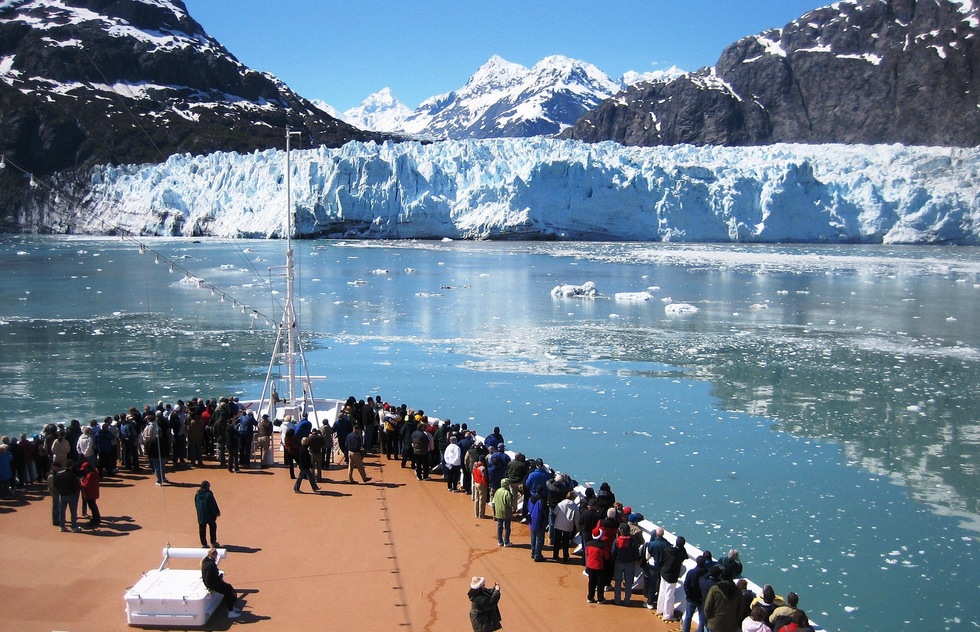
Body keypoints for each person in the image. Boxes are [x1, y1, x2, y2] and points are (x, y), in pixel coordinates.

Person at [201, 548, 241, 619]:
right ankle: (230, 611)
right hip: (213, 584)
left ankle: (230, 607)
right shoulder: (211, 564)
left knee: (228, 587)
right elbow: (209, 578)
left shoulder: (206, 562)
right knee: (228, 591)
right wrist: (218, 578)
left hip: (213, 582)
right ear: (214, 555)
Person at [657, 536, 688, 621]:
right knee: (669, 595)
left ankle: (659, 609)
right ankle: (667, 615)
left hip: (664, 572)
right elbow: (685, 556)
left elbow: (661, 560)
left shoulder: (667, 549)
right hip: (672, 576)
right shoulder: (680, 554)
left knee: (662, 592)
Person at [611, 522, 640, 605]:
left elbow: (613, 552)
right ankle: (627, 600)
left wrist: (615, 560)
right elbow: (636, 553)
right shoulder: (632, 541)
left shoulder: (616, 541)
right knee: (628, 583)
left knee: (618, 582)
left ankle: (617, 600)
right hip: (629, 563)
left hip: (618, 563)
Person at [641, 526, 668, 609]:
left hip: (653, 566)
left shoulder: (651, 544)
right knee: (661, 584)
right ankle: (660, 603)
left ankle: (650, 603)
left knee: (652, 584)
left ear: (655, 534)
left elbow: (647, 556)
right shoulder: (667, 544)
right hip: (662, 566)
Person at [551, 490, 580, 563]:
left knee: (557, 541)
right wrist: (578, 528)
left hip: (558, 524)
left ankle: (555, 555)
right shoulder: (575, 506)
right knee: (566, 543)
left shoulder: (561, 503)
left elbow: (555, 512)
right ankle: (565, 557)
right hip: (568, 525)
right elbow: (576, 519)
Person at [53, 459, 81, 532]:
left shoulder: (58, 474)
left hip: (62, 495)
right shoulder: (73, 475)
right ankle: (74, 527)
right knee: (73, 511)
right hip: (72, 495)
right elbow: (76, 486)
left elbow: (55, 485)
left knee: (62, 511)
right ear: (71, 466)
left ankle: (62, 526)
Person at [584, 532, 610, 604]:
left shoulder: (588, 544)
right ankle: (600, 599)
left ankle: (590, 597)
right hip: (599, 566)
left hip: (590, 566)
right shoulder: (603, 545)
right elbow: (607, 556)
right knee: (600, 583)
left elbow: (587, 553)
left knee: (591, 582)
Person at [195, 480, 221, 547]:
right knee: (213, 526)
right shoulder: (209, 494)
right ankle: (213, 542)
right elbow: (213, 504)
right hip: (209, 515)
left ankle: (204, 544)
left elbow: (196, 504)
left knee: (202, 529)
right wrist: (216, 512)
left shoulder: (197, 494)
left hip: (201, 514)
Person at [492, 478, 516, 547]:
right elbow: (510, 503)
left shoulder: (497, 491)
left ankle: (500, 541)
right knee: (507, 527)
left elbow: (493, 502)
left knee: (499, 526)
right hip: (506, 512)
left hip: (498, 512)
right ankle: (506, 541)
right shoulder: (507, 493)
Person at [526, 485, 547, 562]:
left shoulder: (531, 498)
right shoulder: (542, 500)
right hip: (540, 521)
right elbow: (545, 512)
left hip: (532, 520)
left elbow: (528, 507)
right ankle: (537, 555)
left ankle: (533, 552)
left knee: (533, 537)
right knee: (539, 538)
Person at [78, 461, 101, 529]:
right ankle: (96, 519)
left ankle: (96, 520)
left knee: (92, 506)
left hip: (90, 493)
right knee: (93, 506)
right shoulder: (94, 473)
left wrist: (81, 482)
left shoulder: (90, 475)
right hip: (92, 493)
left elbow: (86, 485)